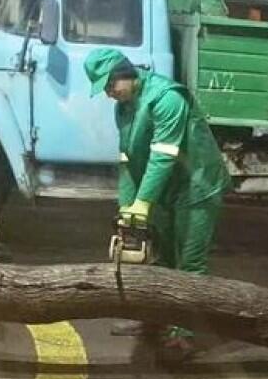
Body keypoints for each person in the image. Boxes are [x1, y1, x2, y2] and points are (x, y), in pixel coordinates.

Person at [84, 48, 232, 359]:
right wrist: (128, 206)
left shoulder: (167, 98)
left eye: (111, 86)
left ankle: (182, 333)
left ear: (125, 74)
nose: (109, 94)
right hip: (164, 191)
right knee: (162, 259)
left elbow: (163, 157)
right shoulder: (123, 109)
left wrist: (143, 202)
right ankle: (157, 319)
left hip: (196, 187)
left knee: (189, 263)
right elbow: (127, 159)